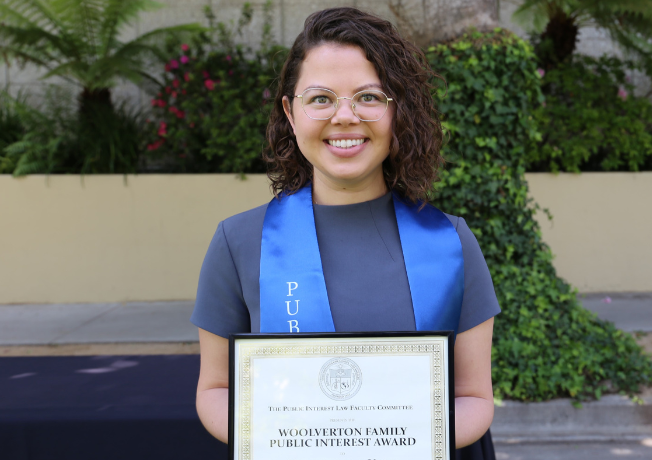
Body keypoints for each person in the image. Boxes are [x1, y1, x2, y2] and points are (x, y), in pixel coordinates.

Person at [190, 7, 500, 459]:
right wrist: (282, 438)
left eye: (369, 97)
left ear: (397, 110)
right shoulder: (240, 243)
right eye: (320, 98)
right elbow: (215, 390)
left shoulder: (450, 243)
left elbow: (474, 398)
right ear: (290, 113)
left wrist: (392, 442)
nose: (345, 117)